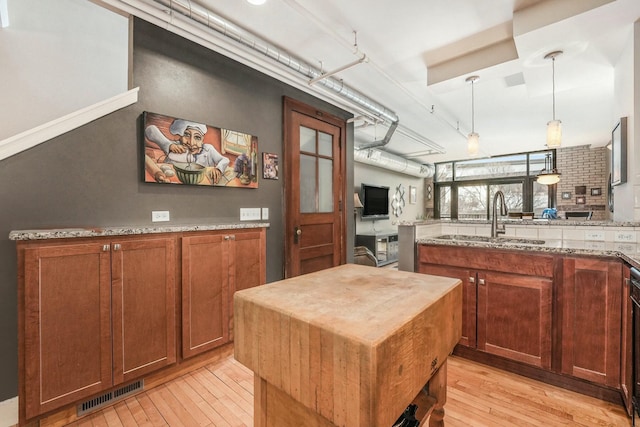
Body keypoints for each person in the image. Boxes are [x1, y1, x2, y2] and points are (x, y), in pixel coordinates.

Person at [145, 119, 230, 184]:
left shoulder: (208, 150)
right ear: (180, 136)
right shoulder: (175, 146)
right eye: (187, 135)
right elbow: (150, 130)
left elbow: (225, 160)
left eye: (197, 137)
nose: (191, 143)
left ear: (202, 139)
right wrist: (169, 145)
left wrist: (219, 169)